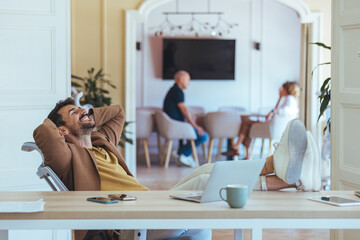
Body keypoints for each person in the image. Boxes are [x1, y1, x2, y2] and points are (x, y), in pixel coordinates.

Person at [33, 98, 319, 240]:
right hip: (125, 224)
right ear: (61, 130)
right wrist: (64, 122)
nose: (84, 111)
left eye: (83, 108)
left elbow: (118, 111)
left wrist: (82, 113)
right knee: (204, 182)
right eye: (74, 113)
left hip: (147, 206)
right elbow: (41, 132)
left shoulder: (101, 141)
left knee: (208, 167)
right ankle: (285, 180)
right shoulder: (68, 157)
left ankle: (276, 166)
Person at [225, 81, 300, 159]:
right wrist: (279, 98)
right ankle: (245, 152)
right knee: (248, 125)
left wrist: (272, 112)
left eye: (282, 88)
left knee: (246, 122)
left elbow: (284, 111)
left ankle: (238, 147)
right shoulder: (290, 99)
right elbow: (278, 109)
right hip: (273, 126)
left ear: (286, 89)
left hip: (270, 126)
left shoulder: (289, 99)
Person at [163, 70, 208, 167]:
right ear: (180, 80)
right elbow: (184, 111)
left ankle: (180, 153)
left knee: (200, 134)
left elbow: (184, 109)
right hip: (176, 125)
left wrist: (190, 114)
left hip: (173, 124)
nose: (189, 82)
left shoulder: (174, 90)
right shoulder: (178, 92)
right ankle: (183, 153)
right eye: (188, 80)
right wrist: (196, 126)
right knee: (203, 136)